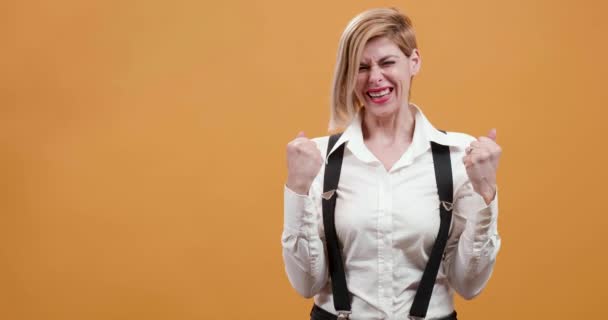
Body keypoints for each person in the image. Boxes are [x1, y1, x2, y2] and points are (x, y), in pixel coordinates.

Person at [282, 7, 501, 320]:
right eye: (361, 67)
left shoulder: (460, 157)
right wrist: (297, 188)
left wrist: (486, 194)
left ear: (414, 62)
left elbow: (469, 285)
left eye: (387, 62)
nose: (375, 78)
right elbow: (306, 284)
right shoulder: (319, 160)